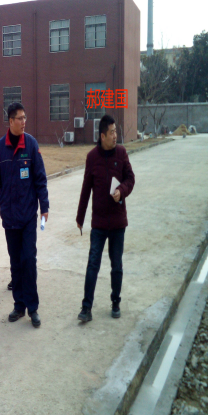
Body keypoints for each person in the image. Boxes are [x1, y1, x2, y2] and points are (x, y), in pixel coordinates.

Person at [0, 102, 49, 328]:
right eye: (20, 118)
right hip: (9, 217)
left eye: (25, 118)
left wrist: (44, 206)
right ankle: (19, 305)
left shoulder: (31, 145)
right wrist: (1, 199)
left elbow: (40, 178)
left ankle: (33, 308)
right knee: (15, 262)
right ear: (10, 121)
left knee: (29, 260)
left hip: (27, 216)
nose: (24, 122)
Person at [76, 114, 135, 322]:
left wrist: (121, 190)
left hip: (117, 222)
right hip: (99, 223)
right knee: (93, 263)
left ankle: (115, 301)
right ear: (102, 136)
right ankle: (86, 308)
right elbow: (86, 188)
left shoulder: (121, 153)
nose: (115, 136)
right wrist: (80, 216)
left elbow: (130, 178)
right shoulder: (92, 157)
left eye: (116, 131)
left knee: (116, 264)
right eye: (111, 133)